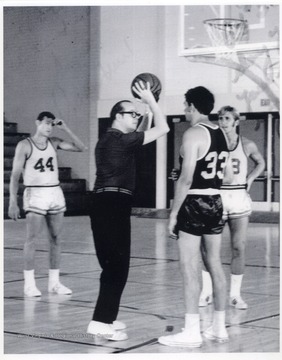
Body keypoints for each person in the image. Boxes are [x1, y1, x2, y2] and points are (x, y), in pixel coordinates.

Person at [87, 81, 169, 341]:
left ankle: (107, 316)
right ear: (117, 116)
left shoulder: (116, 138)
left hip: (107, 203)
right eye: (131, 114)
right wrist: (151, 102)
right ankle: (100, 322)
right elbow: (164, 127)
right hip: (112, 203)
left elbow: (141, 136)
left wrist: (143, 110)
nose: (136, 117)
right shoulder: (119, 140)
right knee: (117, 266)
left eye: (136, 114)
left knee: (113, 264)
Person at [158, 86, 231, 348]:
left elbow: (187, 178)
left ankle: (191, 331)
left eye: (186, 104)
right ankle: (219, 328)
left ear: (192, 106)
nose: (184, 110)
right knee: (214, 263)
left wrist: (173, 213)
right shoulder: (221, 133)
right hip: (215, 200)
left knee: (189, 265)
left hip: (195, 201)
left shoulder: (193, 133)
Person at [8, 111, 87, 297]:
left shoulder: (55, 142)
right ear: (37, 123)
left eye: (52, 124)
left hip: (54, 191)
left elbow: (82, 147)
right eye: (46, 123)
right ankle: (29, 284)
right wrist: (13, 200)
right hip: (35, 192)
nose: (49, 127)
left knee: (56, 239)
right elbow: (14, 175)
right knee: (31, 239)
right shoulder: (24, 145)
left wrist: (65, 127)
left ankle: (54, 283)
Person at [199, 106, 265, 310]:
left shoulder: (247, 144)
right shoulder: (211, 143)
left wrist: (251, 179)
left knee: (238, 246)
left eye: (227, 118)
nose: (223, 121)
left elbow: (261, 163)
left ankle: (235, 295)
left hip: (237, 196)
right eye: (220, 118)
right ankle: (207, 292)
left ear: (236, 122)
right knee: (209, 248)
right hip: (216, 196)